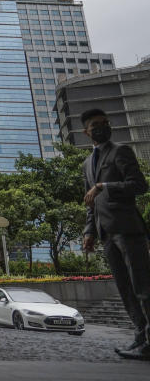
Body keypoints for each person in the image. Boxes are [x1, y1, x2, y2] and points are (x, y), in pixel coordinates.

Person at [80, 107, 150, 361]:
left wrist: (104, 185)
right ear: (86, 132)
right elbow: (90, 203)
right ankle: (141, 338)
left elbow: (139, 185)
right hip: (106, 234)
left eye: (105, 122)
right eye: (96, 124)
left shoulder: (121, 151)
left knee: (143, 286)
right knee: (125, 289)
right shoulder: (87, 163)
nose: (102, 127)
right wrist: (89, 232)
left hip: (128, 230)